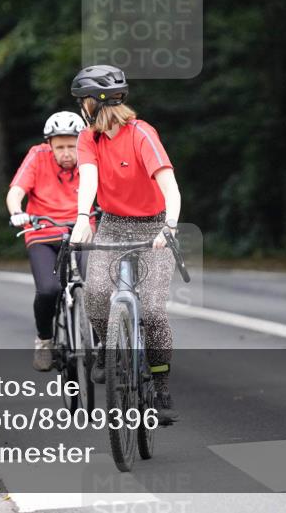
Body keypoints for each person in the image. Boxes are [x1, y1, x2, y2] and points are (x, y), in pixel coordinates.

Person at [68, 65, 182, 424]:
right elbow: (88, 180)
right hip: (113, 226)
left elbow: (171, 188)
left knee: (152, 311)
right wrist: (83, 218)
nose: (81, 106)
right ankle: (107, 347)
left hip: (153, 229)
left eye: (82, 100)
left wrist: (170, 227)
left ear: (95, 102)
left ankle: (161, 385)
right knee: (97, 292)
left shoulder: (141, 134)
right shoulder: (89, 138)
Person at [7, 111, 89, 371]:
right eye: (60, 147)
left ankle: (100, 342)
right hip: (42, 232)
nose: (66, 153)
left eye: (71, 146)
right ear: (49, 145)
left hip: (82, 230)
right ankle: (44, 340)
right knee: (49, 290)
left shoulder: (90, 156)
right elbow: (15, 192)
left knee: (96, 284)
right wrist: (17, 213)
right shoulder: (37, 156)